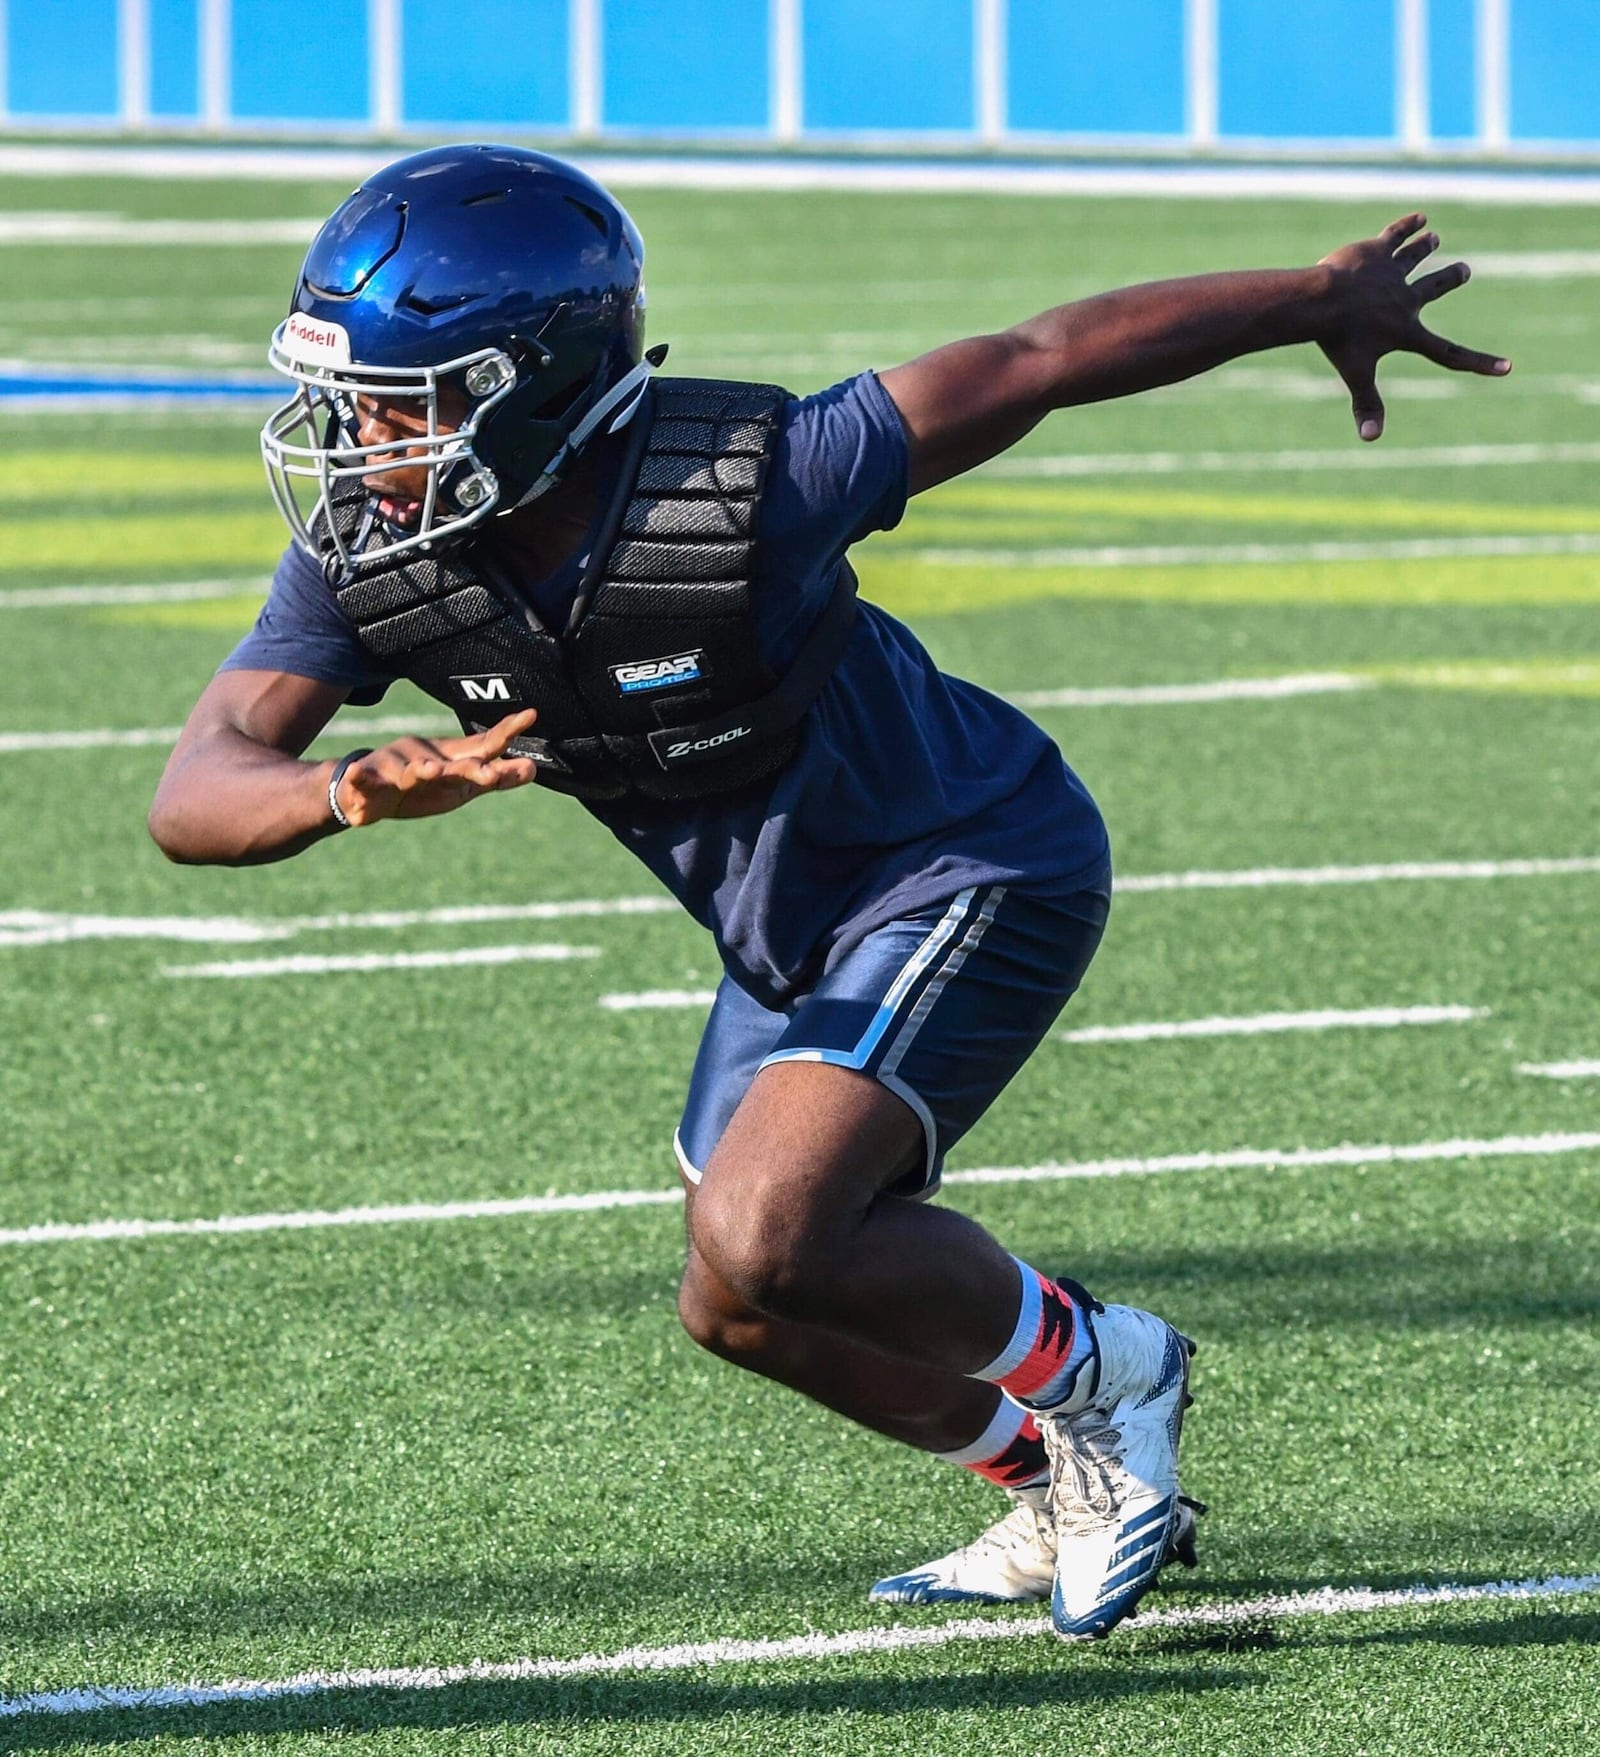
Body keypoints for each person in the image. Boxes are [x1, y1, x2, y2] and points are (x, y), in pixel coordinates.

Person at [149, 144, 1508, 1638]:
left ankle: (1114, 1373)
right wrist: (339, 789)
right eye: (344, 400)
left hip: (970, 854)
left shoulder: (750, 482)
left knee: (769, 1226)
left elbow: (1036, 359)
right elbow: (197, 782)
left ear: (533, 387)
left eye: (401, 403)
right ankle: (1044, 1477)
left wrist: (1316, 297)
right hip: (791, 933)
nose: (354, 441)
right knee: (736, 1302)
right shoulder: (373, 558)